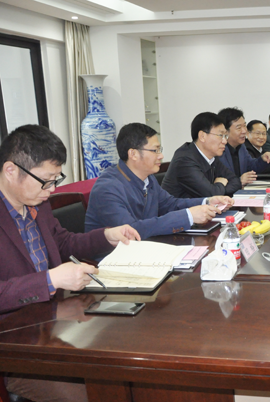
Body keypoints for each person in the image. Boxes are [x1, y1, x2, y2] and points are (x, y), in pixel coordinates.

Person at [0, 125, 140, 402]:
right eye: (46, 181)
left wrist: (107, 236)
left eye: (56, 179)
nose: (52, 190)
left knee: (128, 367)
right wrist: (50, 280)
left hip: (54, 324)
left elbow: (63, 243)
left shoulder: (37, 204)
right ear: (11, 170)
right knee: (99, 394)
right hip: (16, 347)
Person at [86, 122, 232, 239]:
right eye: (155, 150)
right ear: (133, 154)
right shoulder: (107, 188)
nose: (161, 156)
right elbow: (131, 231)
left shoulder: (147, 178)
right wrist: (188, 216)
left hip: (148, 248)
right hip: (114, 259)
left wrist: (207, 202)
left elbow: (170, 204)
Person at [162, 112, 241, 198]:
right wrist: (220, 183)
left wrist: (217, 189)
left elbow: (236, 181)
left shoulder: (212, 157)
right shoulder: (184, 160)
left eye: (225, 136)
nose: (225, 141)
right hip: (181, 207)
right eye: (220, 135)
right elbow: (211, 195)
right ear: (202, 136)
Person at [217, 107, 270, 185]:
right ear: (225, 131)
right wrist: (239, 181)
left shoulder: (241, 147)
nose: (244, 131)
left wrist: (263, 159)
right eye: (239, 128)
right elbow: (220, 181)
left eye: (244, 126)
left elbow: (251, 166)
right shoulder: (219, 150)